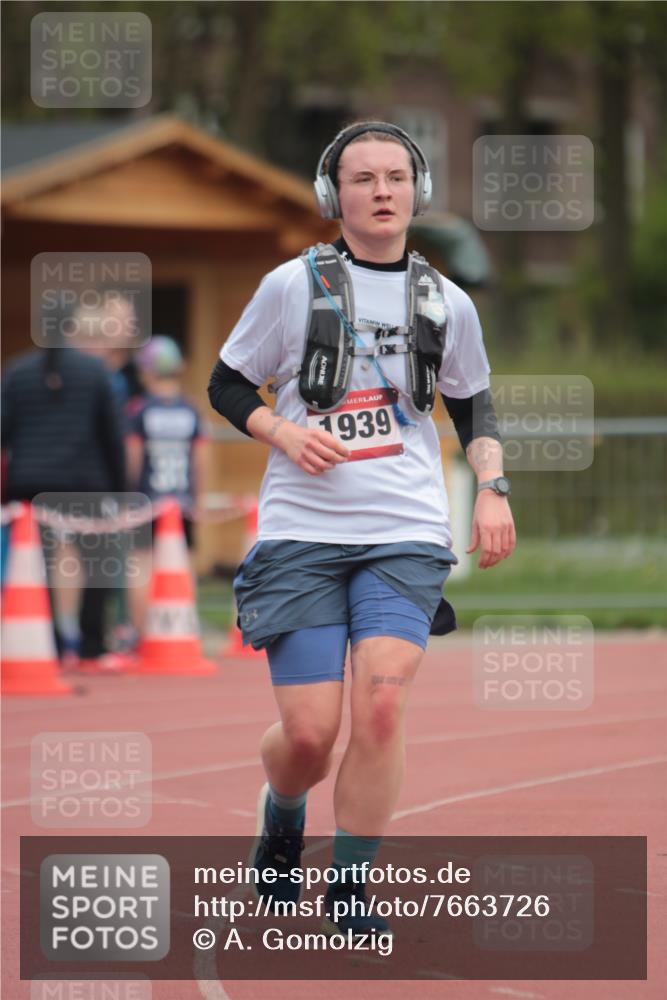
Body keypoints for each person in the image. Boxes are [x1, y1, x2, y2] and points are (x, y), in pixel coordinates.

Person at [208, 121, 515, 936]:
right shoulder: (289, 286)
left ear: (416, 189)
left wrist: (492, 487)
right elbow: (227, 383)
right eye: (361, 179)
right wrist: (279, 430)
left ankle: (350, 887)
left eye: (394, 177)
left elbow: (472, 402)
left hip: (403, 530)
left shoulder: (446, 303)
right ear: (331, 194)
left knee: (380, 707)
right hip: (301, 534)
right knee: (310, 736)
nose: (381, 192)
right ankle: (282, 814)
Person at [1, 318, 129, 672]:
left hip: (29, 487)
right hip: (85, 483)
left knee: (34, 567)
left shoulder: (16, 372)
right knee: (99, 565)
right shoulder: (94, 372)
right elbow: (112, 437)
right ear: (71, 330)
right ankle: (92, 645)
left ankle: (51, 645)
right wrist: (120, 492)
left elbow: (3, 433)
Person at [126, 335, 208, 633]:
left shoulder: (139, 410)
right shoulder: (191, 409)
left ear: (146, 371)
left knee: (141, 567)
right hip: (181, 502)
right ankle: (184, 630)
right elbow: (201, 460)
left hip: (147, 501)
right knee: (182, 565)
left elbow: (133, 460)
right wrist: (196, 499)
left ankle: (139, 634)